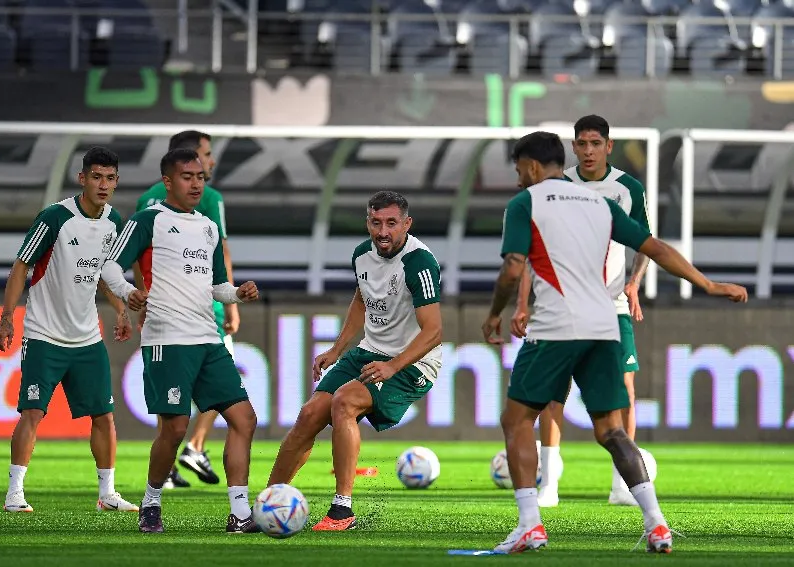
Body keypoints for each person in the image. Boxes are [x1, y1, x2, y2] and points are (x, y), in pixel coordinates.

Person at [482, 131, 747, 554]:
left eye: (518, 171)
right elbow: (655, 247)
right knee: (612, 430)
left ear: (531, 166)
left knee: (515, 421)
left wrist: (496, 312)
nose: (518, 180)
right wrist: (707, 283)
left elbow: (514, 268)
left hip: (556, 327)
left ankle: (530, 524)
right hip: (605, 325)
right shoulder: (601, 203)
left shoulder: (525, 203)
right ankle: (657, 523)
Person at [100, 148, 260, 534]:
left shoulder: (207, 227)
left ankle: (239, 514)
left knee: (244, 418)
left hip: (208, 338)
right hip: (167, 340)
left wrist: (238, 294)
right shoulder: (148, 221)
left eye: (201, 177)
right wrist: (128, 292)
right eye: (187, 176)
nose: (196, 183)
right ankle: (151, 504)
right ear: (168, 181)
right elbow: (109, 267)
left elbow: (218, 286)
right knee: (174, 430)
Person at [267, 190, 443, 532]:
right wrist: (337, 348)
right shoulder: (362, 255)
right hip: (368, 351)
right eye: (376, 223)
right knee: (309, 414)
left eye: (392, 223)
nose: (383, 231)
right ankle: (269, 502)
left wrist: (393, 366)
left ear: (407, 224)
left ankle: (342, 510)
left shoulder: (420, 262)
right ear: (368, 223)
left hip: (412, 365)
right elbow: (361, 300)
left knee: (344, 401)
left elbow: (434, 331)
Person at [514, 115, 653, 508]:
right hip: (561, 304)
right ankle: (550, 485)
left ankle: (620, 485)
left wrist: (634, 282)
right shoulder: (559, 186)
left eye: (596, 143)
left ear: (609, 146)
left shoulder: (627, 188)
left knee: (623, 390)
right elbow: (530, 252)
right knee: (552, 393)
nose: (589, 150)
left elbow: (645, 241)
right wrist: (524, 302)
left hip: (612, 306)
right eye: (582, 143)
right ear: (573, 147)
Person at [0, 146, 138, 514]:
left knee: (104, 416)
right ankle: (15, 492)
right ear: (82, 178)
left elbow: (107, 275)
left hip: (87, 338)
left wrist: (121, 311)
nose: (103, 185)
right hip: (44, 335)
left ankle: (107, 494)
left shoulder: (114, 223)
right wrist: (8, 316)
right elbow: (21, 266)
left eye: (110, 178)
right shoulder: (55, 218)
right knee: (33, 413)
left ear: (116, 182)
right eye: (96, 177)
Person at [135, 130, 237, 489]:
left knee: (171, 405)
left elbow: (140, 255)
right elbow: (220, 249)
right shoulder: (208, 197)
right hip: (202, 309)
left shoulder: (147, 199)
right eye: (206, 155)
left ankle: (168, 468)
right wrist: (232, 306)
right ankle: (195, 446)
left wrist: (143, 294)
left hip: (160, 308)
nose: (210, 163)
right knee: (219, 388)